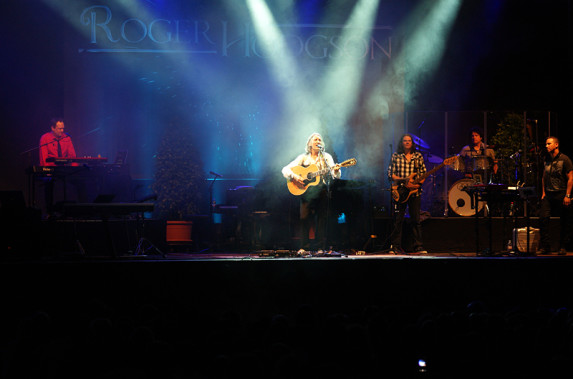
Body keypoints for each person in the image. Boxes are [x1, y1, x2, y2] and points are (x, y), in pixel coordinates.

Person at [282, 132, 341, 250]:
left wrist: (336, 170)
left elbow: (336, 176)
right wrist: (295, 177)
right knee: (304, 218)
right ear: (309, 143)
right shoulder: (303, 157)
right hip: (306, 192)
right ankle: (304, 247)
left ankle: (320, 248)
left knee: (321, 219)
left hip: (322, 190)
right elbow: (285, 169)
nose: (318, 141)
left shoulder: (326, 157)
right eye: (315, 140)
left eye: (320, 140)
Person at [387, 134, 427, 254]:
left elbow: (423, 173)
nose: (407, 142)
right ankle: (394, 246)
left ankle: (418, 246)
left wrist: (417, 185)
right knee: (398, 219)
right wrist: (405, 180)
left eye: (409, 141)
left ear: (412, 143)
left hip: (414, 192)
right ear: (401, 143)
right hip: (400, 191)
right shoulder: (396, 156)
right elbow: (391, 174)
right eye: (405, 141)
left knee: (416, 219)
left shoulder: (418, 156)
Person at [537, 136, 573, 255]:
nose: (546, 146)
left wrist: (567, 195)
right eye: (546, 144)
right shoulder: (546, 159)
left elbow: (571, 178)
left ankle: (562, 246)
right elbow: (544, 177)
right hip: (548, 194)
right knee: (543, 218)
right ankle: (546, 246)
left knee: (565, 220)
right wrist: (543, 193)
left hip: (561, 193)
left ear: (556, 145)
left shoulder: (565, 159)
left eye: (549, 144)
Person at [38, 118, 77, 215]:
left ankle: (73, 210)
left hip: (63, 168)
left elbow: (73, 156)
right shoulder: (45, 138)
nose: (62, 131)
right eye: (60, 128)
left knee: (77, 182)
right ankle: (49, 211)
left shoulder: (66, 138)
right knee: (49, 183)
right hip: (51, 168)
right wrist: (47, 172)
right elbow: (44, 157)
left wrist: (74, 169)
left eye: (63, 128)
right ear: (53, 128)